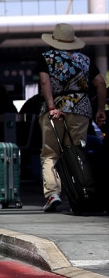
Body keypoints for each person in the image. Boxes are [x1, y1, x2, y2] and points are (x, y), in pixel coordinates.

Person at [36, 23, 106, 212]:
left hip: (54, 110)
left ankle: (52, 194)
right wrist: (101, 109)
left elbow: (45, 82)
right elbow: (100, 83)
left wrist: (51, 106)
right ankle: (81, 192)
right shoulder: (85, 59)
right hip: (80, 110)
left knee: (50, 154)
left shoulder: (46, 58)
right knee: (77, 153)